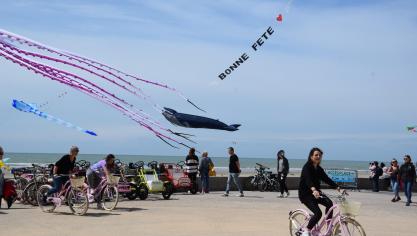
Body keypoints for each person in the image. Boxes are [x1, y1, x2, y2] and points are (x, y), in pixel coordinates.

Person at [298, 147, 342, 236]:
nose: (318, 157)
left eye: (320, 155)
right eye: (316, 155)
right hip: (306, 195)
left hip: (316, 193)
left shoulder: (318, 168)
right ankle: (307, 230)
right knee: (318, 213)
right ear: (311, 156)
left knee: (330, 204)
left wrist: (338, 188)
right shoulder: (307, 167)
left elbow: (326, 179)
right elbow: (308, 180)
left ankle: (329, 225)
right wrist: (313, 189)